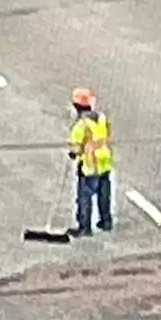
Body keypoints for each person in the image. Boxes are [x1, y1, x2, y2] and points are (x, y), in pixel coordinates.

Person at [67, 88, 114, 236]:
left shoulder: (81, 125)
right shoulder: (101, 118)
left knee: (84, 197)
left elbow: (77, 147)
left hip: (90, 164)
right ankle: (106, 221)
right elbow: (107, 133)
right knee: (104, 194)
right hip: (105, 161)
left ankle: (84, 227)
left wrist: (73, 154)